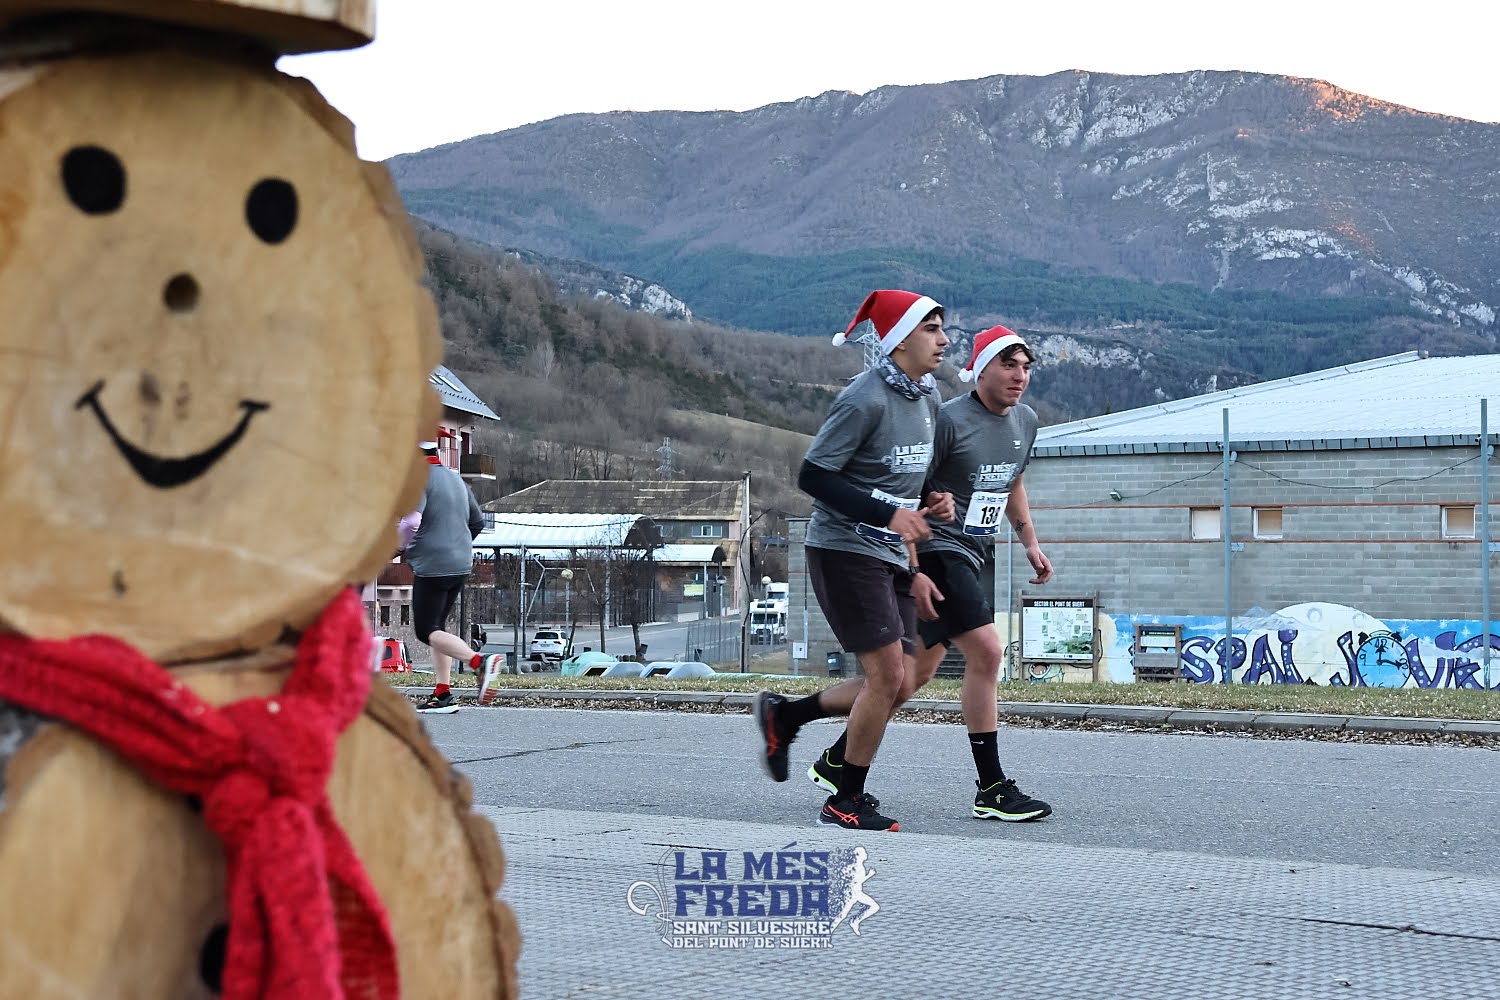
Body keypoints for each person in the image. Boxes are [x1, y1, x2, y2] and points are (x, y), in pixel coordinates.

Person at [753, 289, 954, 832]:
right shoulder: (864, 398)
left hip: (890, 553)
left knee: (904, 680)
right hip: (843, 548)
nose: (944, 339)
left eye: (942, 328)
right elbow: (814, 475)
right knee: (886, 676)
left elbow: (911, 473)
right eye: (932, 328)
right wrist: (891, 516)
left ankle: (786, 715)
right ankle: (845, 797)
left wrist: (934, 497)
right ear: (900, 339)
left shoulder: (927, 398)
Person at [854, 324, 1055, 820]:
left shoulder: (1025, 421)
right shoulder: (946, 421)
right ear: (980, 368)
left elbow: (1012, 482)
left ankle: (836, 756)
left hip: (974, 552)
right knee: (988, 651)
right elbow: (907, 484)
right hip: (938, 549)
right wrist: (913, 563)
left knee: (909, 675)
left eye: (1026, 367)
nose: (1019, 376)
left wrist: (1029, 542)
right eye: (1008, 365)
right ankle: (991, 787)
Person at [406, 439, 499, 713]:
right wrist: (459, 544)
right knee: (437, 629)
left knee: (426, 631)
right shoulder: (456, 480)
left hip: (432, 564)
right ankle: (442, 693)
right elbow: (478, 521)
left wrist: (397, 547)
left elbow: (411, 521)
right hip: (460, 563)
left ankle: (479, 663)